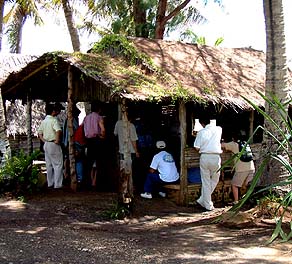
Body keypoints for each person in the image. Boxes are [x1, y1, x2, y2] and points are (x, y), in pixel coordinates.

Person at [193, 117, 222, 211]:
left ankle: (203, 200)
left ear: (202, 124)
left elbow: (197, 147)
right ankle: (207, 204)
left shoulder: (201, 132)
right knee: (215, 179)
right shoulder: (219, 129)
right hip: (216, 157)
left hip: (205, 157)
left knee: (205, 181)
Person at [221, 134, 255, 203]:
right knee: (247, 185)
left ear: (233, 138)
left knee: (234, 185)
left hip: (241, 169)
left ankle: (236, 201)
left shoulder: (233, 144)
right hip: (251, 168)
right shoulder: (246, 144)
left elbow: (221, 145)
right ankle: (249, 200)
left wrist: (222, 141)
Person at [38, 103, 64, 189]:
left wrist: (44, 141)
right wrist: (57, 140)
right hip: (53, 144)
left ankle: (50, 183)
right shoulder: (53, 120)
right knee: (58, 164)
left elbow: (40, 133)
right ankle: (58, 184)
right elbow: (58, 130)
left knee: (49, 165)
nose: (58, 112)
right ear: (53, 111)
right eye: (57, 111)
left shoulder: (44, 121)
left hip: (46, 144)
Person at [83, 101, 106, 189]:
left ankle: (89, 181)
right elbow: (103, 129)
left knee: (89, 162)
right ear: (99, 110)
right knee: (99, 162)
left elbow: (84, 130)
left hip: (89, 141)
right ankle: (95, 182)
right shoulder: (99, 117)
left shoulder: (86, 118)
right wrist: (103, 136)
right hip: (97, 140)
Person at [62, 105, 81, 184]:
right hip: (72, 142)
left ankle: (67, 175)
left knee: (67, 159)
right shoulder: (72, 120)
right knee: (77, 160)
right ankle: (77, 178)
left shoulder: (66, 120)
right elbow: (76, 131)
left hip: (67, 143)